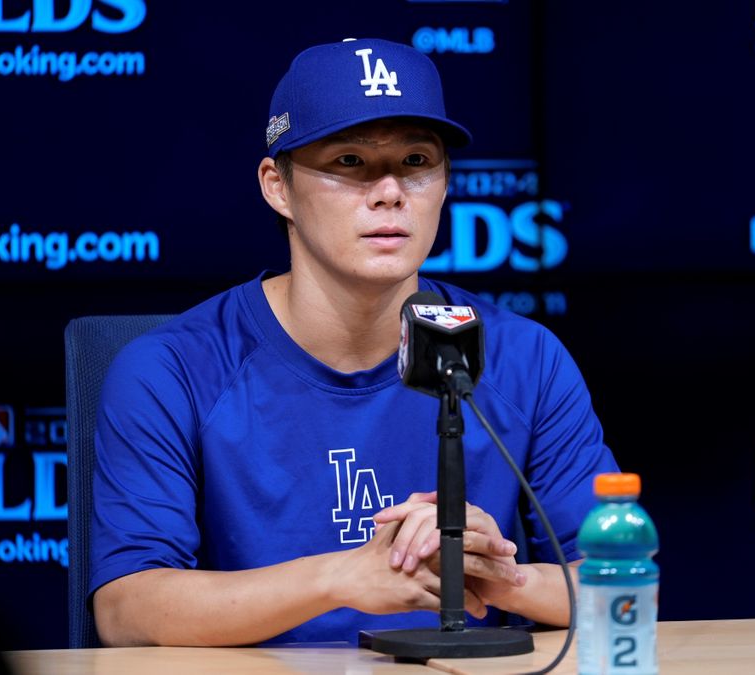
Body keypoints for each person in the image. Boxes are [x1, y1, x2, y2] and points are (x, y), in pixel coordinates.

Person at [89, 37, 619, 647]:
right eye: (349, 162)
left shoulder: (526, 359)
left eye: (418, 162)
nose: (390, 191)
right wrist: (343, 577)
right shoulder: (172, 369)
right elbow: (125, 611)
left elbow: (624, 585)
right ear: (277, 186)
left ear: (446, 184)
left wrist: (496, 576)